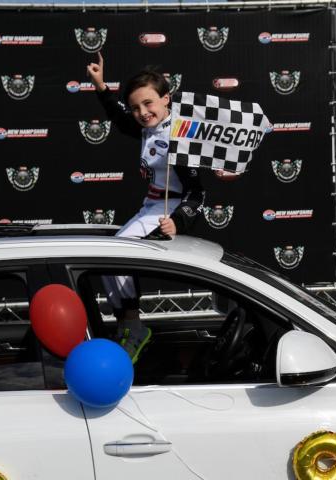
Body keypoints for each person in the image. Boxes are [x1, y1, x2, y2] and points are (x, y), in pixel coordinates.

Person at [86, 52, 206, 363]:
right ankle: (127, 326)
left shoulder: (181, 137)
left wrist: (179, 221)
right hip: (150, 204)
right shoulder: (145, 127)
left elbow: (197, 193)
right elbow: (118, 117)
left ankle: (134, 327)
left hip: (169, 208)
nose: (142, 112)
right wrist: (101, 86)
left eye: (149, 103)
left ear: (167, 99)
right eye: (136, 107)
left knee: (120, 251)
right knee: (107, 260)